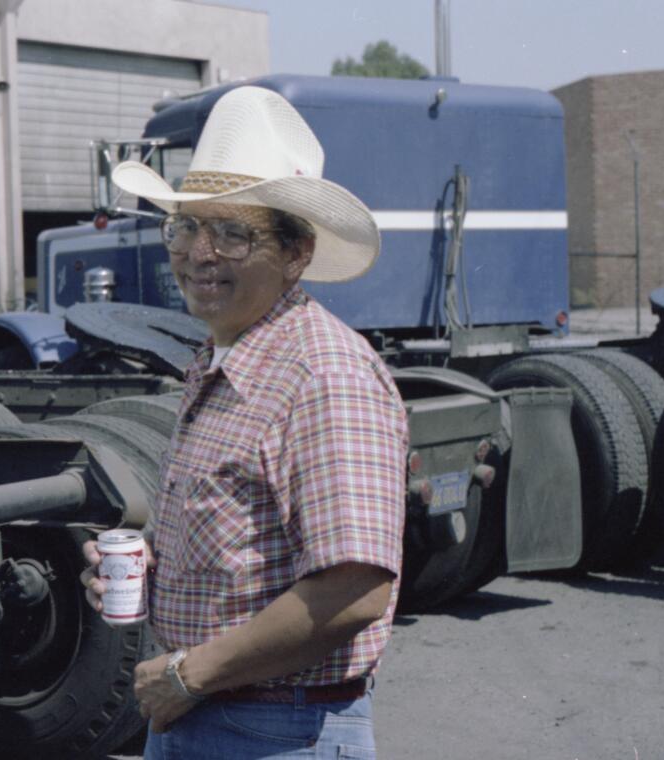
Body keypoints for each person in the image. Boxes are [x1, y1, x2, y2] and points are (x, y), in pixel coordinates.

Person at [81, 86, 408, 758]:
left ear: (297, 254)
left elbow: (355, 590)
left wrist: (190, 673)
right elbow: (248, 542)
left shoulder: (325, 377)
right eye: (187, 226)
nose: (201, 253)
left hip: (275, 730)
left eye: (233, 232)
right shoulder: (225, 355)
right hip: (210, 714)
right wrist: (153, 566)